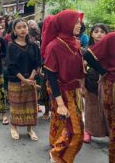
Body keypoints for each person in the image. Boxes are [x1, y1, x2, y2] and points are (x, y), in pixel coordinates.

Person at [42, 10, 85, 163]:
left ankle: (58, 153)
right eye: (76, 22)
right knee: (76, 132)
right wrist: (60, 103)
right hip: (62, 92)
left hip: (75, 92)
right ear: (66, 24)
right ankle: (57, 155)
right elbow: (51, 77)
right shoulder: (54, 46)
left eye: (80, 22)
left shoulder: (75, 42)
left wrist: (82, 89)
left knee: (67, 126)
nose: (80, 25)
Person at [7, 19, 41, 141]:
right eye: (19, 27)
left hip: (31, 79)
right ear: (14, 31)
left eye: (24, 26)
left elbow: (37, 62)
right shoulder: (11, 46)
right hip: (16, 80)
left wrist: (31, 77)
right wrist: (23, 79)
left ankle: (29, 129)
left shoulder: (34, 45)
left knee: (30, 105)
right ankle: (14, 128)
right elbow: (11, 66)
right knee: (17, 105)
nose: (22, 29)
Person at [84, 32, 115, 163]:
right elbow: (88, 54)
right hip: (111, 85)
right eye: (96, 32)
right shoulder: (112, 37)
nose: (99, 34)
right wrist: (104, 72)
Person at [83, 23, 110, 144]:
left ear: (106, 33)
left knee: (107, 109)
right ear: (91, 34)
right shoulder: (86, 50)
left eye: (102, 31)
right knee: (91, 108)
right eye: (96, 31)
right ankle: (88, 131)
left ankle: (108, 132)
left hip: (107, 83)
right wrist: (82, 87)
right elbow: (81, 71)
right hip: (91, 82)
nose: (99, 34)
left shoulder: (111, 48)